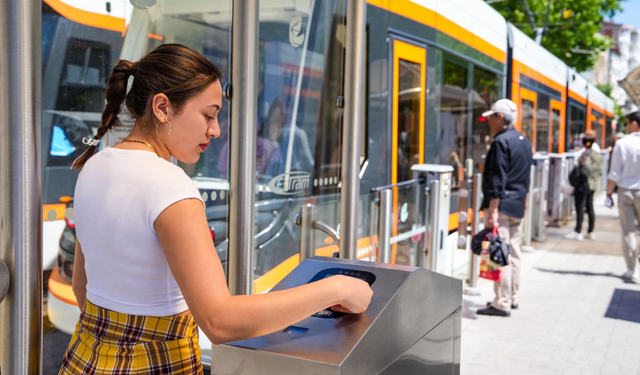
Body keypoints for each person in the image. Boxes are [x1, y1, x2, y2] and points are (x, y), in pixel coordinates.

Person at [58, 44, 372, 374]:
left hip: (86, 357)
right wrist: (337, 288)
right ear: (162, 107)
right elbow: (219, 322)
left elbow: (83, 286)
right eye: (208, 114)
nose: (216, 129)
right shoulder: (169, 185)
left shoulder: (94, 166)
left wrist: (117, 340)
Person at [476, 99, 532, 318]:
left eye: (491, 117)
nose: (489, 121)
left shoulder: (500, 142)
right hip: (518, 204)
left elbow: (497, 178)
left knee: (502, 254)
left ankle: (502, 302)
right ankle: (513, 296)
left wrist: (493, 210)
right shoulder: (523, 140)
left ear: (500, 117)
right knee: (515, 252)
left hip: (503, 205)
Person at [606, 111, 640, 282]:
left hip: (625, 191)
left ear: (634, 124)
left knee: (628, 232)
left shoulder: (622, 143)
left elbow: (614, 173)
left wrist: (608, 193)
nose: (625, 127)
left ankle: (632, 268)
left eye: (626, 124)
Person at [564, 133, 603, 241]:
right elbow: (600, 171)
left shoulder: (584, 154)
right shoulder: (598, 155)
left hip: (582, 185)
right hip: (593, 185)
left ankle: (578, 231)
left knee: (580, 208)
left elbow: (584, 169)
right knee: (590, 208)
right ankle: (590, 231)